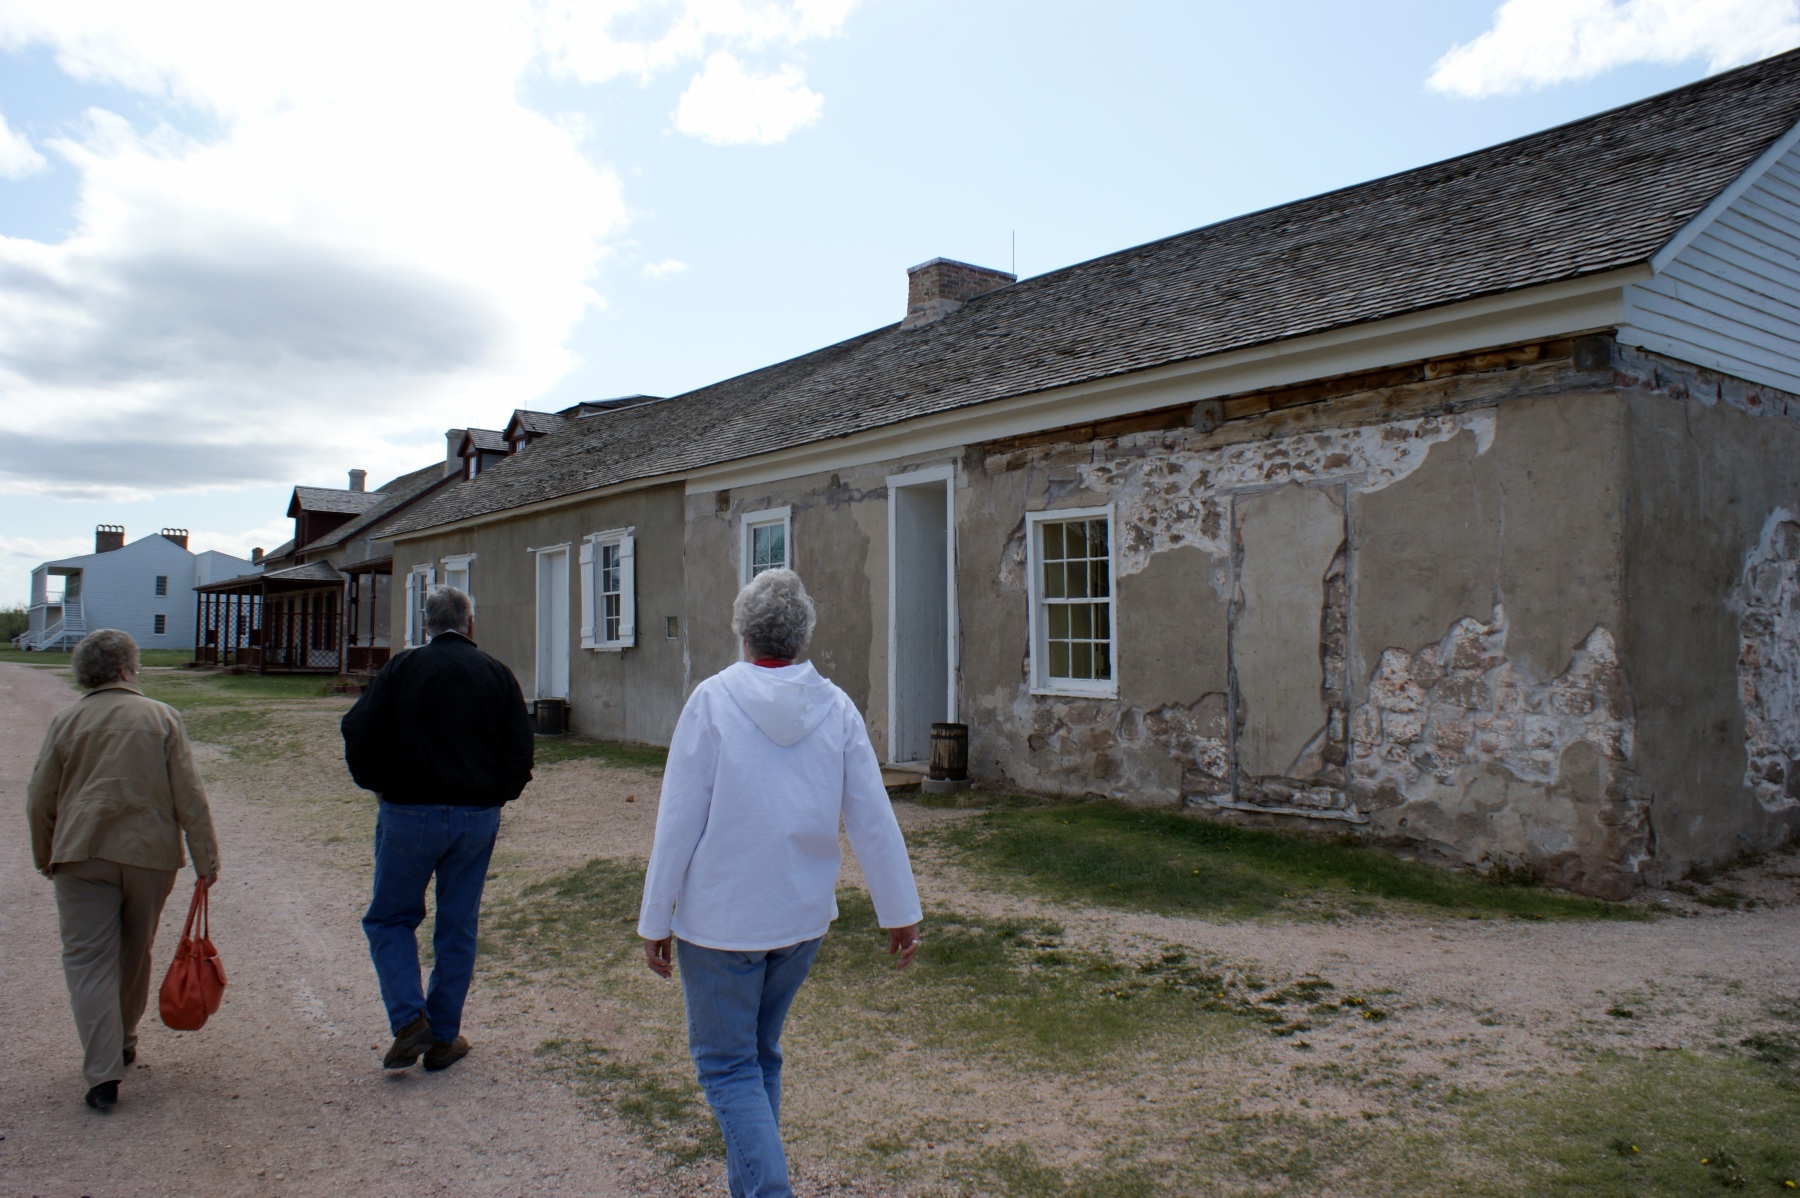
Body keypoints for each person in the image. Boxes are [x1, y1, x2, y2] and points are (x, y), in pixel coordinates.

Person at [639, 568, 922, 1198]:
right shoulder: (836, 707)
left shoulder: (712, 701)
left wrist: (656, 918)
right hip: (799, 920)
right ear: (802, 636)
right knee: (758, 1056)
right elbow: (872, 818)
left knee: (726, 1065)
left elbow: (677, 820)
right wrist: (899, 911)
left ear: (743, 632)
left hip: (720, 923)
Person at [340, 584, 533, 1073]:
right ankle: (444, 1035)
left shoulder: (402, 668)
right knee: (457, 925)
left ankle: (410, 1020)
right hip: (475, 816)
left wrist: (377, 784)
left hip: (409, 812)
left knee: (390, 919)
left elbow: (357, 729)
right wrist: (499, 794)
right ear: (469, 623)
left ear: (426, 624)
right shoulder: (496, 673)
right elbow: (520, 748)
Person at [26, 628, 220, 1111]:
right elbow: (189, 795)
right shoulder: (162, 717)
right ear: (126, 669)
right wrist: (205, 860)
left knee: (87, 960)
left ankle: (102, 1072)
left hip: (80, 853)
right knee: (135, 952)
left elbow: (40, 798)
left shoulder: (66, 721)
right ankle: (125, 1040)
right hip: (149, 856)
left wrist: (45, 853)